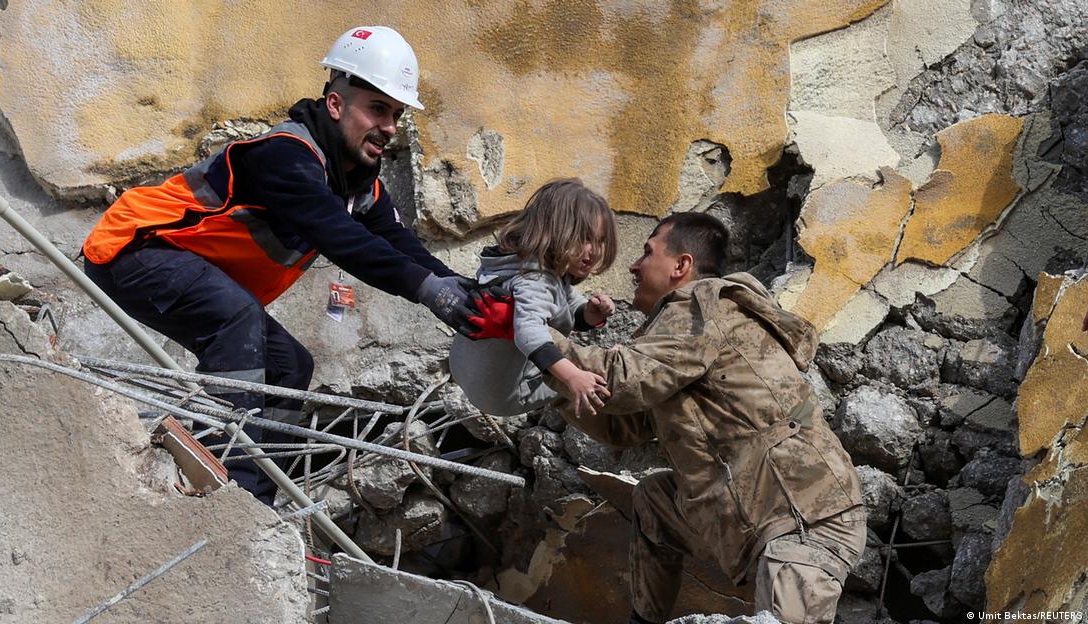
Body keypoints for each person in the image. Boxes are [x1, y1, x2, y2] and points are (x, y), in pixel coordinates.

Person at [81, 26, 501, 505]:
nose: (389, 126)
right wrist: (431, 292)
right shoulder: (285, 155)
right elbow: (341, 237)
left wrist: (460, 288)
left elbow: (398, 243)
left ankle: (255, 502)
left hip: (186, 266)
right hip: (133, 249)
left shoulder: (359, 182)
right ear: (336, 105)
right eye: (378, 108)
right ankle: (220, 493)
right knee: (236, 319)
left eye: (397, 114)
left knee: (289, 366)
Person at [544, 212, 865, 624]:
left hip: (804, 519)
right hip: (758, 518)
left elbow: (623, 378)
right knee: (655, 499)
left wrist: (536, 342)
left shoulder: (703, 306)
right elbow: (623, 426)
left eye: (647, 252)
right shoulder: (674, 338)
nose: (634, 265)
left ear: (681, 266)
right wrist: (552, 383)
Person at [449, 178, 618, 417]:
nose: (595, 251)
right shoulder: (534, 281)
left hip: (465, 369)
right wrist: (573, 377)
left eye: (600, 241)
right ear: (555, 232)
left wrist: (588, 313)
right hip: (506, 395)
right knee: (604, 378)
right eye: (585, 238)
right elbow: (529, 332)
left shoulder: (518, 265)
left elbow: (565, 298)